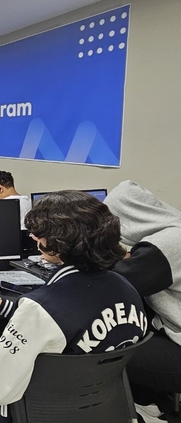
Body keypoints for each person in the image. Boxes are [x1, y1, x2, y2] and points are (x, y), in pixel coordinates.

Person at [0, 191, 148, 422]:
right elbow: (59, 326)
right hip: (97, 406)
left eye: (40, 233)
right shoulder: (127, 290)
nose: (33, 236)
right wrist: (1, 304)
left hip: (32, 410)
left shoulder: (41, 309)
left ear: (61, 243)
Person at [104, 180, 181, 422]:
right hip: (169, 331)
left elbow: (115, 284)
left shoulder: (166, 246)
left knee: (104, 345)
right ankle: (152, 401)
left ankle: (143, 410)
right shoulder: (172, 229)